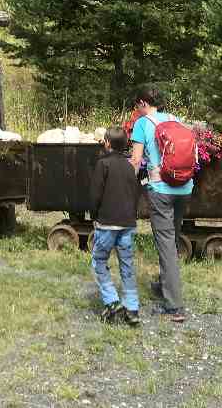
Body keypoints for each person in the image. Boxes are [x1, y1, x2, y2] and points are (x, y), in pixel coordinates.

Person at [129, 84, 190, 323]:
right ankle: (164, 285)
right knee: (172, 239)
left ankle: (174, 306)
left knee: (165, 244)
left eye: (136, 105)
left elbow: (135, 160)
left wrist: (123, 184)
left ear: (143, 103)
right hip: (184, 188)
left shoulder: (143, 124)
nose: (136, 110)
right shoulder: (176, 119)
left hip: (161, 190)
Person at [89, 126, 141, 326]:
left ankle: (112, 302)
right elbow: (135, 194)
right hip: (127, 224)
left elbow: (95, 194)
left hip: (107, 223)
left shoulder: (103, 164)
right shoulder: (130, 167)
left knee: (99, 262)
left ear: (107, 143)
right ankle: (132, 309)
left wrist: (94, 215)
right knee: (127, 266)